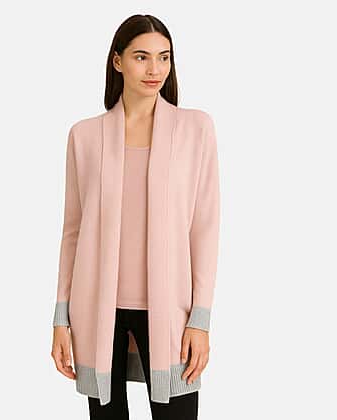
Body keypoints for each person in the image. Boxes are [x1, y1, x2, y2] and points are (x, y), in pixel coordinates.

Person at [51, 14, 220, 420]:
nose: (154, 69)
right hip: (96, 309)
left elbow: (205, 228)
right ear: (118, 61)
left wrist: (200, 319)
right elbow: (72, 232)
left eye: (164, 57)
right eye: (141, 57)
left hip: (173, 312)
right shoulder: (84, 136)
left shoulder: (195, 129)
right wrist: (60, 317)